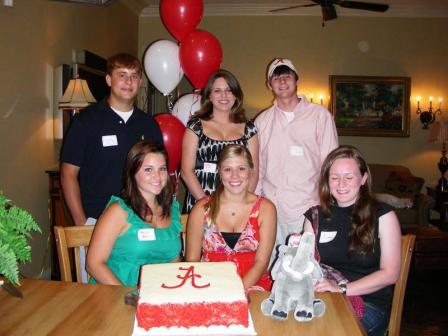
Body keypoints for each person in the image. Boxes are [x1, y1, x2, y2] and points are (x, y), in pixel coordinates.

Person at [303, 145, 401, 336]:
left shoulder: (383, 215)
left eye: (349, 177)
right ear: (326, 181)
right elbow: (306, 266)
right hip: (325, 299)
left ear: (363, 179)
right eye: (334, 177)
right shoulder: (315, 217)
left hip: (369, 304)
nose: (341, 184)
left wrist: (341, 288)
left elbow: (390, 274)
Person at [60, 53, 162, 227]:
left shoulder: (149, 125)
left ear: (140, 83)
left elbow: (159, 174)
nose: (128, 82)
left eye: (134, 76)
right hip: (96, 221)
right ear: (108, 80)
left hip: (140, 221)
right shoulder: (86, 121)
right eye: (121, 75)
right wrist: (81, 223)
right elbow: (68, 173)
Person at [254, 58, 338, 258]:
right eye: (276, 77)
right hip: (271, 211)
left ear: (296, 80)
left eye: (287, 75)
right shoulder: (262, 121)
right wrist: (254, 206)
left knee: (304, 272)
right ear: (269, 85)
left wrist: (329, 205)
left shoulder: (320, 117)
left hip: (307, 211)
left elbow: (331, 165)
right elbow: (257, 168)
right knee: (269, 269)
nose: (282, 81)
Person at [86, 141, 181, 286]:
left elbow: (174, 262)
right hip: (115, 295)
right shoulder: (118, 211)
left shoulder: (172, 210)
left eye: (162, 169)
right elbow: (94, 265)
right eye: (148, 169)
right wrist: (128, 296)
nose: (157, 176)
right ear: (133, 172)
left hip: (156, 296)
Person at [186, 144, 276, 291]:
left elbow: (261, 262)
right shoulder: (202, 209)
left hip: (253, 286)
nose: (235, 176)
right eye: (228, 169)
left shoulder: (266, 209)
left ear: (251, 171)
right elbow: (191, 260)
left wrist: (236, 291)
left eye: (241, 168)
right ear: (219, 172)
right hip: (209, 285)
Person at [181, 69, 259, 213]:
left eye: (229, 90)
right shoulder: (195, 126)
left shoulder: (249, 129)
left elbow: (253, 172)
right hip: (201, 202)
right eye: (217, 90)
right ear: (209, 95)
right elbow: (186, 171)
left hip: (237, 207)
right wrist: (207, 206)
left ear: (236, 95)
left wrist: (241, 204)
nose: (224, 95)